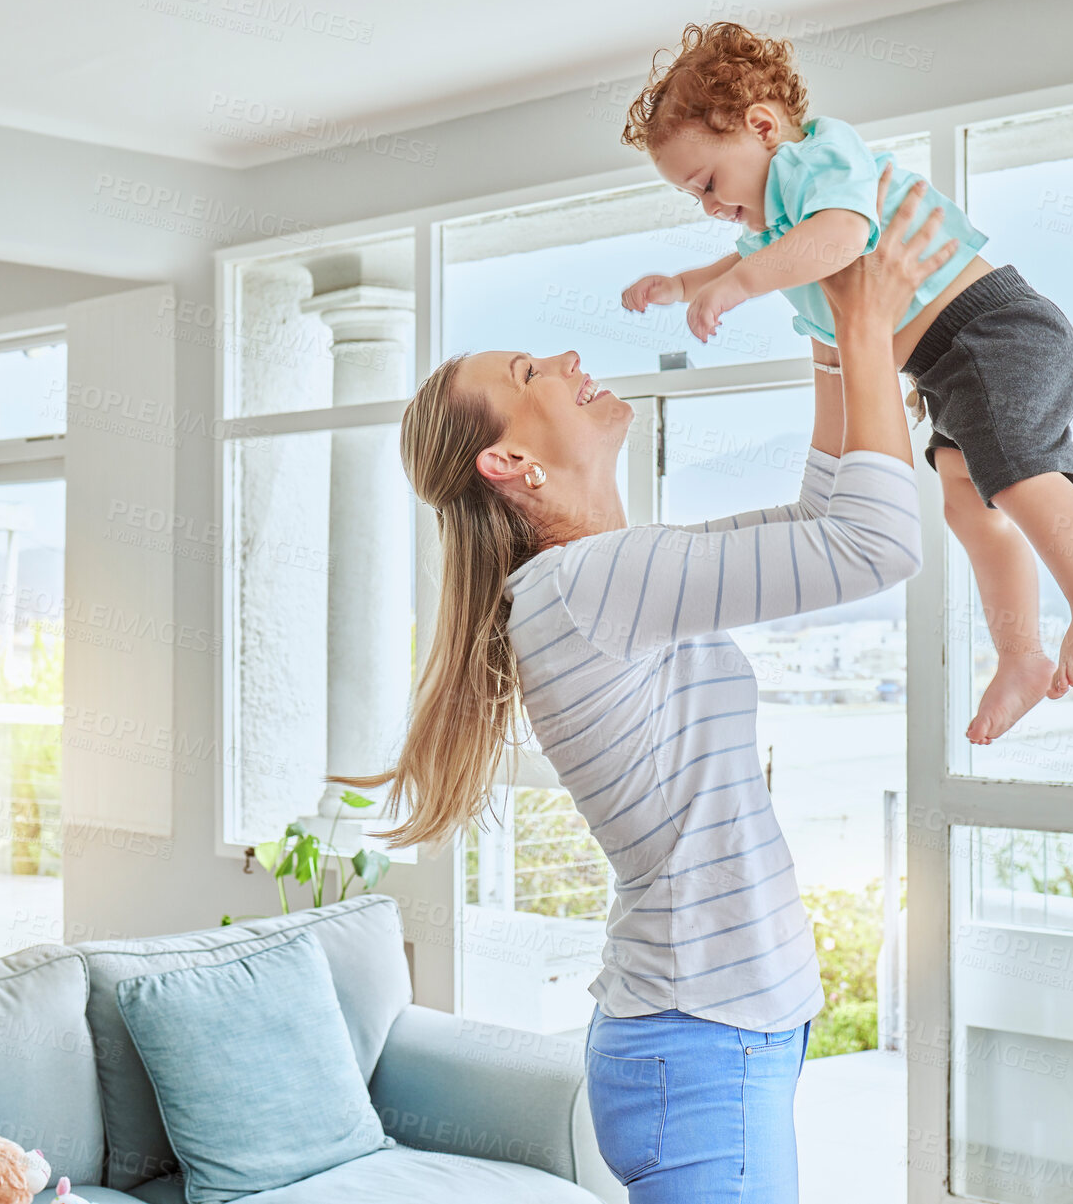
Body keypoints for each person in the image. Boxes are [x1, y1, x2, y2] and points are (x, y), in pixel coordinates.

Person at [330, 169, 950, 1201]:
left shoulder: (603, 578)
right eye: (530, 367)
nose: (570, 359)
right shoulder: (583, 585)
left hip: (710, 1032)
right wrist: (871, 324)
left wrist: (829, 324)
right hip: (699, 1043)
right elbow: (877, 542)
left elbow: (819, 520)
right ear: (510, 460)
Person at [620, 21, 1073, 743]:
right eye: (693, 197)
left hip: (990, 332)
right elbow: (753, 256)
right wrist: (680, 284)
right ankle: (1020, 653)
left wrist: (737, 286)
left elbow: (839, 237)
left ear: (763, 126)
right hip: (943, 365)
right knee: (968, 510)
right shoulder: (771, 227)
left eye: (707, 182)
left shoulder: (817, 162)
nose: (709, 205)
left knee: (1017, 472)